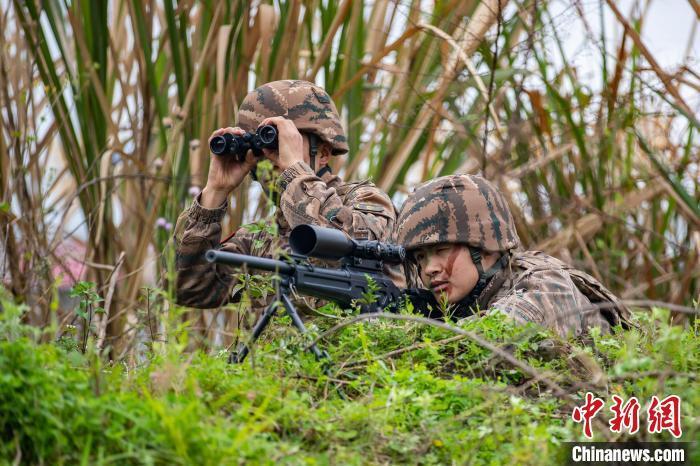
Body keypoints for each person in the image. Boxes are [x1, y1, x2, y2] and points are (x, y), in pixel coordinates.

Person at [174, 80, 397, 315]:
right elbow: (187, 289)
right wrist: (214, 194)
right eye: (259, 147)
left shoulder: (367, 201)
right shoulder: (258, 239)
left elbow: (349, 248)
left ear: (322, 153)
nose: (269, 157)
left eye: (281, 143)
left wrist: (293, 169)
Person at [394, 174, 632, 338]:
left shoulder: (546, 284)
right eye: (420, 258)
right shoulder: (468, 302)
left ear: (485, 248)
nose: (429, 269)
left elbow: (492, 337)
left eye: (441, 251)